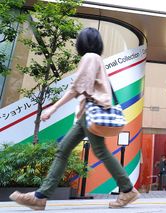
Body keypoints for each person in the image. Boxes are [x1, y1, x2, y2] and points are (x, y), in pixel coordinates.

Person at [9, 27, 139, 210]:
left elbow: (77, 89)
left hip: (90, 113)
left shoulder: (90, 58)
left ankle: (127, 189)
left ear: (82, 42)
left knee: (95, 151)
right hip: (86, 115)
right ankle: (41, 196)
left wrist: (53, 108)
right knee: (64, 150)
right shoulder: (96, 59)